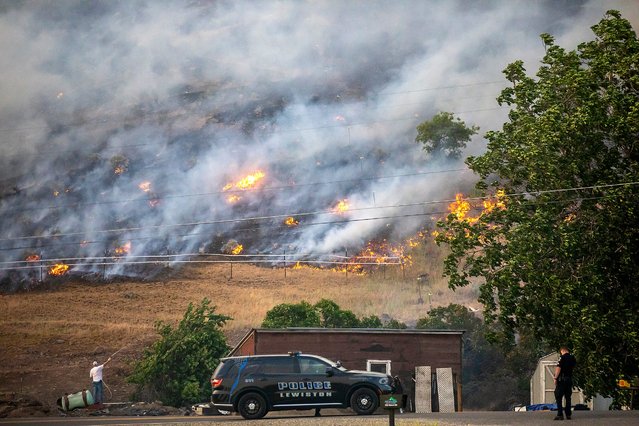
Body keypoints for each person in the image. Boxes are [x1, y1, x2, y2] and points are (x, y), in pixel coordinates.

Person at [553, 346, 576, 420]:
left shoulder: (561, 358)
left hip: (562, 380)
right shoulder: (572, 358)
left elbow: (558, 368)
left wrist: (555, 378)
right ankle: (568, 414)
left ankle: (560, 414)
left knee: (558, 396)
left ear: (562, 351)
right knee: (568, 397)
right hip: (569, 379)